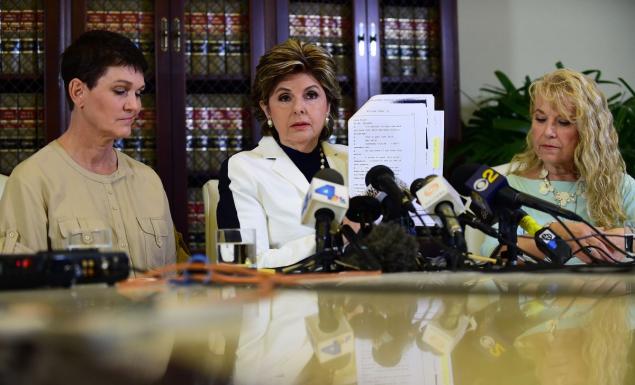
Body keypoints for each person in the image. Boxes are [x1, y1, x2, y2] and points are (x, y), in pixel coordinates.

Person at [0, 30, 176, 271]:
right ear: (78, 92)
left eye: (138, 93)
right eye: (120, 91)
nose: (134, 106)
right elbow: (24, 296)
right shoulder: (32, 180)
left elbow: (172, 284)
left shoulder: (149, 181)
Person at [481, 68, 635, 263]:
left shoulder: (618, 185)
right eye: (540, 119)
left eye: (563, 122)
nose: (548, 132)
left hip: (610, 292)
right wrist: (555, 235)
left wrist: (624, 241)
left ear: (589, 132)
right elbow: (493, 251)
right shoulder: (510, 188)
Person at [217, 38, 347, 268]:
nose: (299, 108)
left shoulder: (352, 161)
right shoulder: (241, 168)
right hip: (283, 302)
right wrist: (331, 240)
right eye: (285, 97)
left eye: (311, 95)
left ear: (327, 106)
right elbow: (240, 264)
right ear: (266, 108)